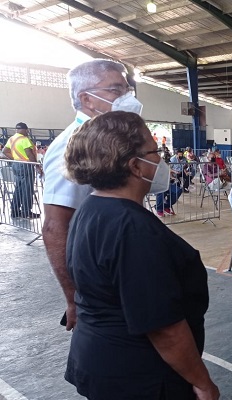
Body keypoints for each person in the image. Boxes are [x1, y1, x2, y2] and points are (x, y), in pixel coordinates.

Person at [63, 111, 219, 399]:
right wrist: (202, 382)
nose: (160, 159)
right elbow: (164, 328)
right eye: (155, 151)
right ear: (136, 166)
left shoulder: (91, 209)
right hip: (138, 375)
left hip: (101, 360)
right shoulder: (133, 229)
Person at [42, 59, 143, 331]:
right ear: (87, 99)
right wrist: (74, 297)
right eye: (115, 90)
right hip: (98, 271)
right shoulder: (70, 145)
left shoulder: (115, 140)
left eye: (126, 90)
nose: (125, 98)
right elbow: (54, 225)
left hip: (123, 259)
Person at [2, 122, 42, 218]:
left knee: (19, 189)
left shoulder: (11, 139)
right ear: (23, 129)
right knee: (27, 189)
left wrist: (15, 159)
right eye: (27, 130)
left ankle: (15, 211)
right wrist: (37, 166)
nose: (27, 132)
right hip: (26, 166)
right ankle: (26, 212)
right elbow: (29, 154)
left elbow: (4, 151)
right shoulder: (24, 139)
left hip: (16, 165)